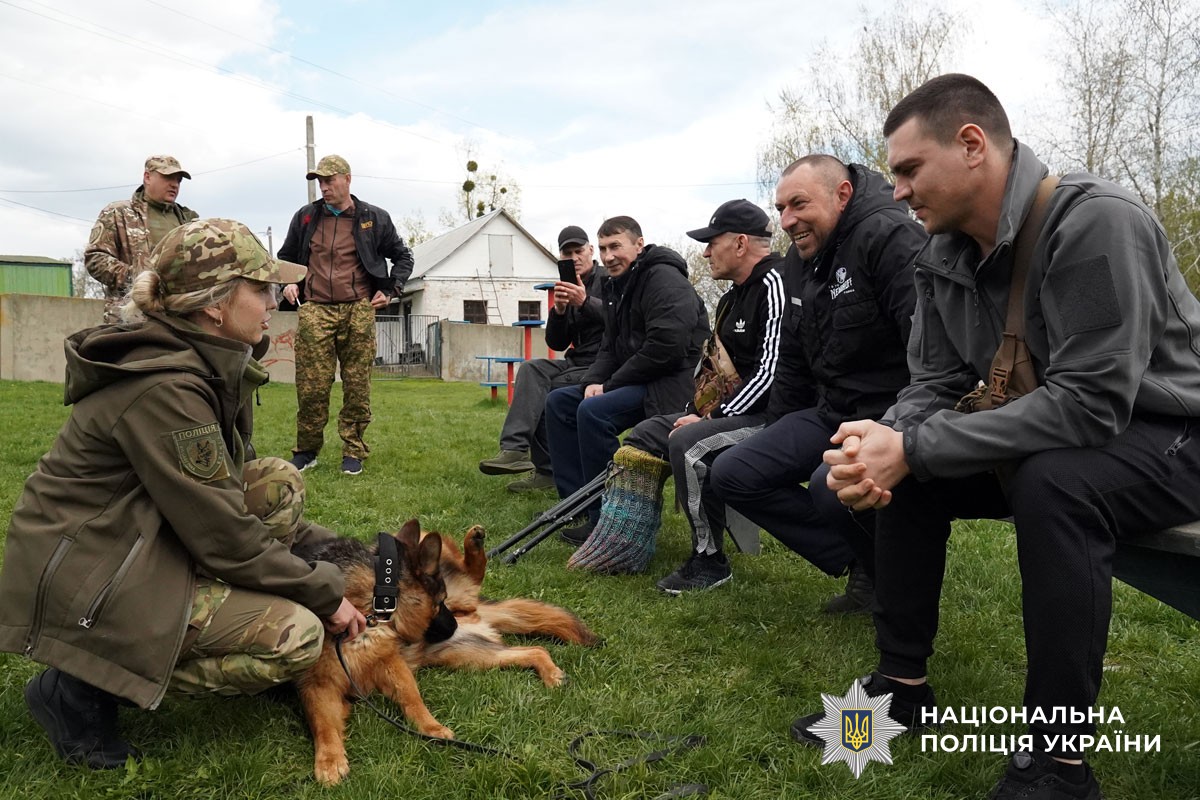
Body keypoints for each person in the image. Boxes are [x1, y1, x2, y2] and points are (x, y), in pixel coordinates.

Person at [793, 74, 1200, 800]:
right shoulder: (940, 255)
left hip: (1169, 436)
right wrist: (886, 444)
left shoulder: (1096, 221)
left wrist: (915, 446)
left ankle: (1057, 761)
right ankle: (901, 686)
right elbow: (933, 383)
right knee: (913, 471)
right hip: (1059, 431)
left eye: (910, 170)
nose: (901, 192)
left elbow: (1093, 406)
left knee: (1056, 482)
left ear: (973, 145)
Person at [0, 218, 366, 769]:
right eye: (260, 287)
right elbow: (225, 539)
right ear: (213, 304)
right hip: (94, 578)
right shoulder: (166, 386)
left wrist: (353, 556)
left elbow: (225, 497)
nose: (274, 299)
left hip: (137, 542)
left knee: (275, 482)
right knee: (296, 636)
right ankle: (83, 686)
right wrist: (323, 592)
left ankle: (169, 640)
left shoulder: (207, 364)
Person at [707, 155, 924, 607]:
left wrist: (903, 428)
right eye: (781, 208)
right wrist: (779, 428)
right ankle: (863, 557)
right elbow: (792, 354)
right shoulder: (799, 261)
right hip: (829, 411)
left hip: (886, 415)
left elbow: (927, 354)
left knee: (831, 483)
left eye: (799, 204)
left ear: (841, 195)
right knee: (734, 471)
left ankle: (892, 582)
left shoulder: (890, 238)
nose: (787, 220)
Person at [566, 200, 784, 577]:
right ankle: (622, 535)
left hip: (769, 412)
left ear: (740, 243)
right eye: (602, 248)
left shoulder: (773, 283)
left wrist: (709, 416)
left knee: (686, 441)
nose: (705, 251)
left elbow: (770, 373)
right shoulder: (732, 297)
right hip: (726, 406)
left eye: (712, 242)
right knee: (643, 435)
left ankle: (708, 558)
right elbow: (714, 369)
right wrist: (695, 409)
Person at [545, 216, 709, 543]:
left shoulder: (663, 279)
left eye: (615, 246)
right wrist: (593, 381)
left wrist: (609, 386)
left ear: (639, 244)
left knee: (593, 413)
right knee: (561, 402)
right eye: (603, 248)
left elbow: (666, 349)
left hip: (674, 386)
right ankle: (577, 500)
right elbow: (610, 346)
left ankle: (608, 517)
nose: (608, 257)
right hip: (643, 378)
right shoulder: (616, 285)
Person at [279, 154, 414, 476]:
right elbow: (285, 257)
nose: (324, 187)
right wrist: (287, 281)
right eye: (320, 182)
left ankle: (353, 451)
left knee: (357, 386)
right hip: (315, 309)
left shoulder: (374, 218)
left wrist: (392, 289)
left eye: (329, 180)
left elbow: (402, 256)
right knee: (311, 387)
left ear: (347, 179)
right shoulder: (306, 217)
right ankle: (307, 451)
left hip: (359, 309)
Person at [478, 225, 607, 492]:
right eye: (567, 253)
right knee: (531, 370)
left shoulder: (609, 281)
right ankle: (514, 450)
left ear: (591, 250)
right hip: (576, 361)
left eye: (579, 251)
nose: (574, 258)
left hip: (604, 364)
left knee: (547, 391)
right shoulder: (567, 287)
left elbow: (620, 322)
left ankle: (548, 472)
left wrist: (585, 301)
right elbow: (556, 343)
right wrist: (559, 311)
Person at [85, 155, 199, 323]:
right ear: (147, 177)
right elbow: (95, 258)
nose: (174, 184)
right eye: (168, 177)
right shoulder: (118, 213)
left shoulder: (189, 221)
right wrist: (139, 281)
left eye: (178, 180)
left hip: (178, 318)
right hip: (131, 317)